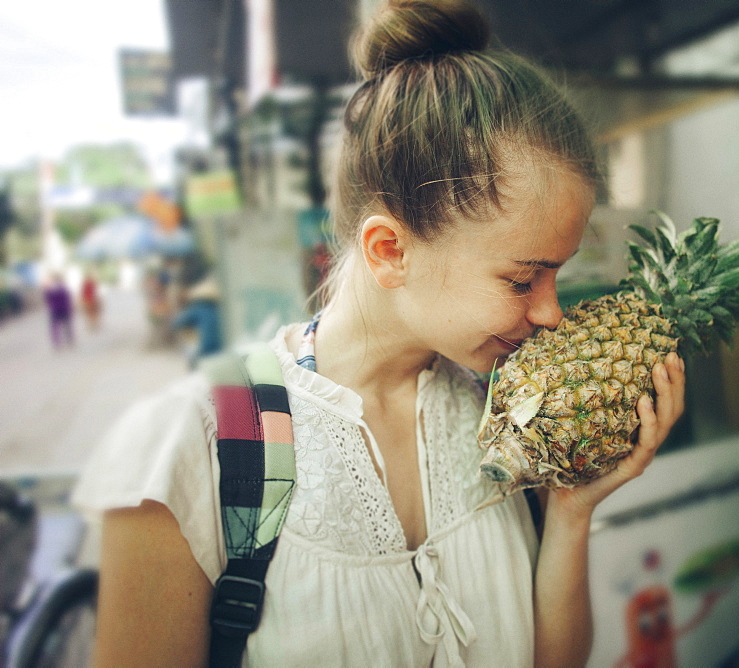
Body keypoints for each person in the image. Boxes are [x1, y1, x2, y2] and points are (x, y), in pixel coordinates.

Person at [72, 1, 687, 665]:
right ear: (390, 249)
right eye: (521, 280)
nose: (552, 313)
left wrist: (569, 513)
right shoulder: (195, 448)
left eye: (556, 277)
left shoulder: (511, 412)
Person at [42, 273, 74, 349]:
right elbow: (67, 298)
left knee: (56, 326)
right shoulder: (62, 288)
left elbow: (47, 299)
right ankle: (68, 341)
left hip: (55, 309)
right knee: (66, 325)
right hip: (63, 309)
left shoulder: (50, 290)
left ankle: (58, 343)